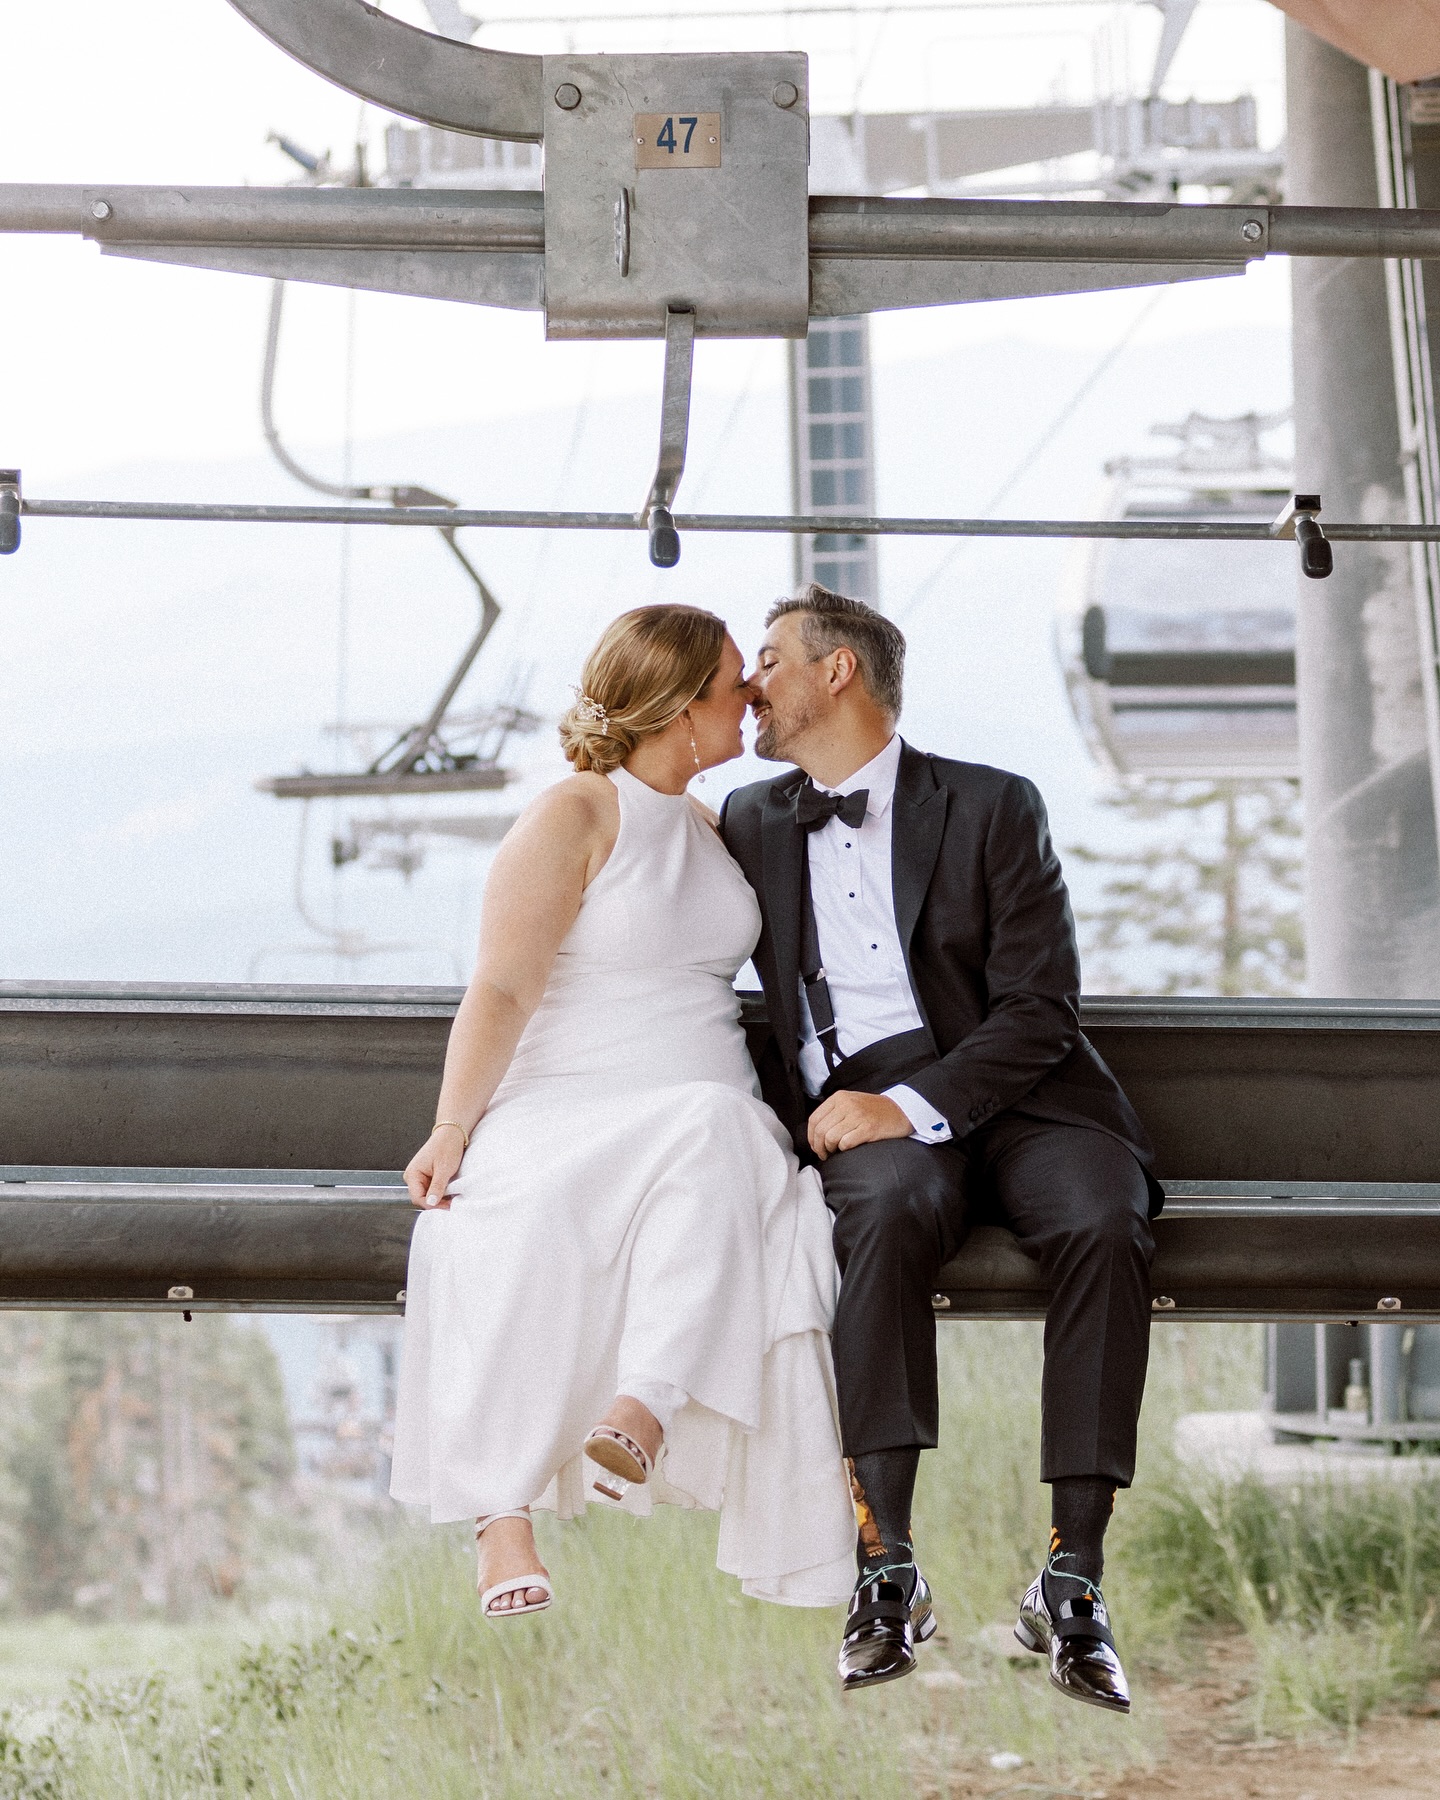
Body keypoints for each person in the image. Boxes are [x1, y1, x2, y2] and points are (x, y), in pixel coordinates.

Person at [721, 585, 1161, 1704]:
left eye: (767, 660)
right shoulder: (749, 818)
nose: (749, 686)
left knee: (1104, 1220)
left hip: (1027, 1096)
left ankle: (1075, 1575)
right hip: (861, 1112)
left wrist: (912, 1104)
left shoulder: (993, 804)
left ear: (837, 672)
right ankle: (886, 1568)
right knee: (883, 1211)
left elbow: (1040, 1008)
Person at [389, 603, 855, 1620]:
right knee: (510, 1224)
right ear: (682, 706)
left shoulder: (708, 825)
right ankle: (498, 1515)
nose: (752, 695)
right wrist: (452, 1130)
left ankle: (645, 1405)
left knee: (724, 1134)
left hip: (701, 1113)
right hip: (570, 1104)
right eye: (734, 682)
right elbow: (502, 986)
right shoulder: (576, 814)